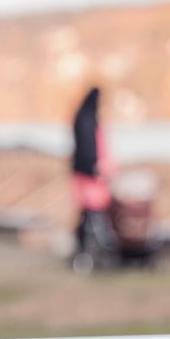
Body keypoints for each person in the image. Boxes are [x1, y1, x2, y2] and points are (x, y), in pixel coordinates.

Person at [70, 86, 118, 272]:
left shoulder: (83, 118)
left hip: (87, 175)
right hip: (90, 178)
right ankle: (90, 253)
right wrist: (94, 168)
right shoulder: (87, 120)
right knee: (92, 217)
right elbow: (88, 149)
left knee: (88, 218)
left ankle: (86, 253)